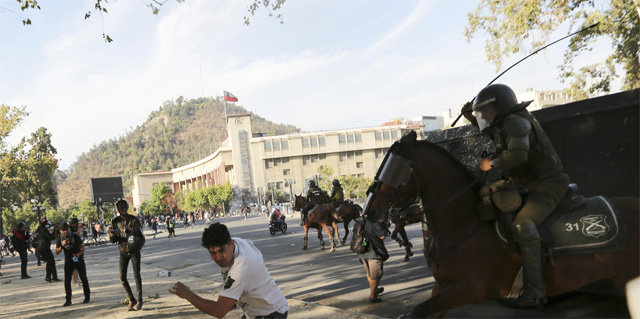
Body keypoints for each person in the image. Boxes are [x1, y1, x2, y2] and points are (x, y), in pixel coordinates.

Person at [461, 83, 570, 307]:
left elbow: (518, 156)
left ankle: (536, 293)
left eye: (485, 111)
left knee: (524, 224)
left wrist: (490, 164)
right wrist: (470, 117)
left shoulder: (517, 122)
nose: (483, 116)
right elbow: (492, 132)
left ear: (499, 107)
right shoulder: (504, 123)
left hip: (547, 184)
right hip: (526, 184)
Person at [169, 223, 289, 318]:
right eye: (213, 252)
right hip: (260, 309)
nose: (219, 257)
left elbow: (219, 311)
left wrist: (188, 294)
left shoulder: (241, 269)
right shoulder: (238, 242)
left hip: (271, 314)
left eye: (221, 251)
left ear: (231, 244)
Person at [108, 200, 145, 311]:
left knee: (136, 275)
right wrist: (111, 235)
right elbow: (113, 240)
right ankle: (131, 299)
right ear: (118, 210)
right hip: (123, 250)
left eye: (125, 209)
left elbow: (139, 232)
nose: (123, 212)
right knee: (122, 277)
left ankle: (139, 300)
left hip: (134, 250)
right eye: (121, 210)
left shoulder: (134, 219)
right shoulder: (115, 221)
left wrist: (130, 229)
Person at [56, 223, 91, 306]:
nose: (65, 232)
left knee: (83, 277)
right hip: (68, 259)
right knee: (67, 280)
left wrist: (79, 253)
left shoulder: (75, 236)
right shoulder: (60, 238)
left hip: (77, 257)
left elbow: (82, 247)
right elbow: (57, 252)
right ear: (60, 231)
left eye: (66, 230)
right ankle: (68, 299)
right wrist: (62, 245)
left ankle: (87, 296)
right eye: (63, 231)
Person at [357, 217, 389, 303]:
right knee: (376, 276)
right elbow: (382, 236)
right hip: (374, 253)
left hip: (362, 252)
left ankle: (375, 290)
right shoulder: (375, 221)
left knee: (369, 274)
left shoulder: (360, 221)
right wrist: (384, 226)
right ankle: (372, 297)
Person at [37, 217, 60, 283]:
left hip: (45, 247)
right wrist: (54, 230)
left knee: (51, 262)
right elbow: (50, 237)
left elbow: (52, 237)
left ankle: (53, 277)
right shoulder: (42, 229)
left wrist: (55, 230)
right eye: (46, 221)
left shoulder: (42, 228)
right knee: (50, 262)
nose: (48, 223)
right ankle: (48, 277)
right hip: (43, 248)